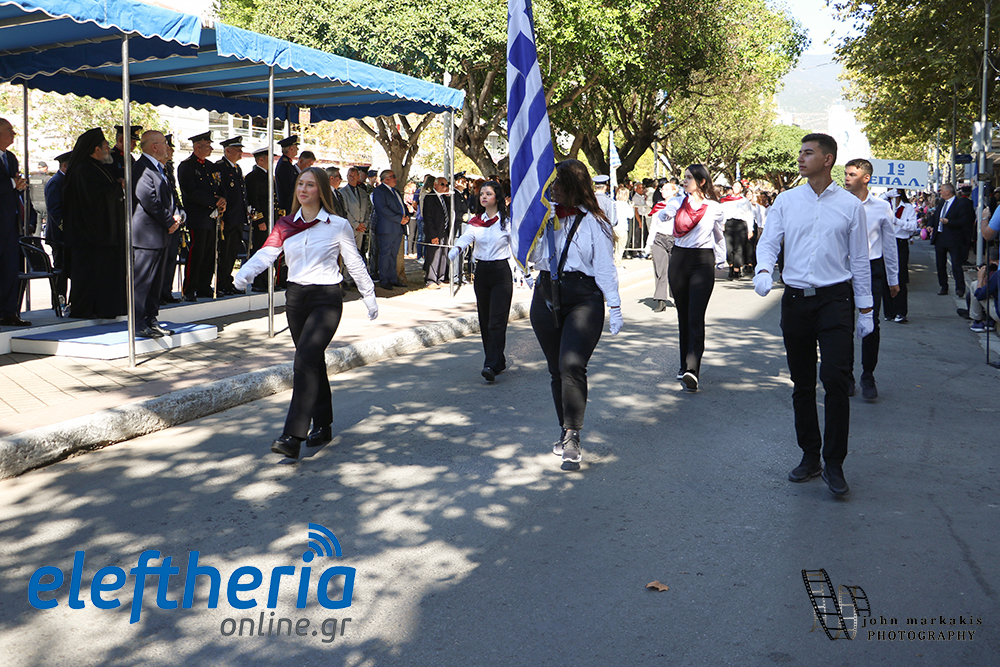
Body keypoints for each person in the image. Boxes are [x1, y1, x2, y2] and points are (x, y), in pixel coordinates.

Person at [753, 133, 872, 497]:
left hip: (835, 300)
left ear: (827, 159)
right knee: (802, 383)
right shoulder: (787, 201)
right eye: (800, 153)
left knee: (835, 379)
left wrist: (866, 308)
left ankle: (834, 462)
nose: (801, 159)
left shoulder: (850, 206)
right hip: (795, 301)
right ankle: (810, 455)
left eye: (808, 153)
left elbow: (860, 260)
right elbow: (769, 241)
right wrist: (763, 269)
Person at [233, 167, 378, 460]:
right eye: (300, 183)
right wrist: (244, 273)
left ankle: (293, 435)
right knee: (312, 362)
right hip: (296, 299)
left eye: (310, 185)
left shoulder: (338, 225)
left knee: (304, 360)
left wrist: (369, 295)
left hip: (326, 298)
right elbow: (267, 253)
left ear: (321, 190)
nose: (303, 189)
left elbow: (354, 261)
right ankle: (323, 424)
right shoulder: (285, 224)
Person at [528, 159, 622, 471]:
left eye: (557, 182)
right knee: (556, 370)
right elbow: (534, 259)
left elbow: (605, 267)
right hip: (546, 294)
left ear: (571, 185)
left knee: (571, 364)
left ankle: (572, 436)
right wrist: (536, 229)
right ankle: (564, 427)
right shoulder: (546, 218)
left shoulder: (594, 222)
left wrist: (615, 305)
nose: (552, 188)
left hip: (583, 297)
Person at [657, 165, 726, 388]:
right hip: (679, 259)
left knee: (695, 315)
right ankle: (683, 364)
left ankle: (692, 369)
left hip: (702, 261)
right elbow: (666, 211)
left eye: (689, 178)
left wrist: (721, 258)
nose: (684, 181)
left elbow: (718, 234)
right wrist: (666, 213)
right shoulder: (677, 202)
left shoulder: (714, 207)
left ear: (701, 181)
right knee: (683, 315)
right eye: (684, 177)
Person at [843, 159, 899, 400]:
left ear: (866, 178)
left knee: (871, 323)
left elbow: (890, 244)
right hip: (842, 270)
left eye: (852, 174)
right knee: (843, 324)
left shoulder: (881, 207)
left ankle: (868, 375)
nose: (846, 178)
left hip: (872, 268)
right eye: (846, 174)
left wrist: (893, 278)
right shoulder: (838, 203)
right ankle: (846, 375)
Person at [448, 181, 513, 380]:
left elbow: (517, 246)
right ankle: (498, 360)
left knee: (496, 321)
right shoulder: (476, 221)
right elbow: (467, 237)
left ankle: (490, 365)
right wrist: (457, 248)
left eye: (489, 193)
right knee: (485, 320)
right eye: (482, 193)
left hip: (501, 273)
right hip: (482, 273)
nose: (484, 196)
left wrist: (525, 272)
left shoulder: (506, 222)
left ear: (497, 197)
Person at [63, 127, 127, 320]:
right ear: (96, 149)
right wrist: (117, 187)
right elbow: (92, 201)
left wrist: (116, 185)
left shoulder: (99, 168)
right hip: (89, 236)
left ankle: (105, 308)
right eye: (106, 146)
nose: (108, 149)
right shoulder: (83, 170)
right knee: (89, 275)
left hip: (104, 235)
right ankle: (87, 310)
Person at [131, 131, 182, 338]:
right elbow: (148, 199)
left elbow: (168, 198)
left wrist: (176, 216)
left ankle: (151, 320)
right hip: (147, 236)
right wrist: (169, 221)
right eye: (164, 144)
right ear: (154, 146)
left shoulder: (160, 168)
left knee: (156, 283)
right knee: (143, 282)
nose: (167, 148)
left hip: (161, 234)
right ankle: (138, 323)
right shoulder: (142, 167)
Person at [178, 132, 226, 301]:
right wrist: (214, 201)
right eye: (208, 146)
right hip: (198, 216)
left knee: (210, 252)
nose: (211, 149)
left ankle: (204, 286)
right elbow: (191, 192)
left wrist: (222, 200)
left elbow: (219, 187)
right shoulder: (187, 166)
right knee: (197, 252)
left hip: (213, 216)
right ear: (198, 146)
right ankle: (190, 288)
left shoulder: (211, 167)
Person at [0, 117, 31, 326]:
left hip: (10, 222)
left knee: (11, 268)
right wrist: (12, 183)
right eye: (9, 130)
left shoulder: (10, 157)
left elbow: (14, 184)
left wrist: (19, 185)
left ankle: (9, 312)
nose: (13, 134)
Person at [215, 137, 248, 296]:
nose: (241, 152)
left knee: (233, 251)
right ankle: (221, 283)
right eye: (237, 150)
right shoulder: (220, 167)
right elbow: (220, 192)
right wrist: (221, 217)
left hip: (238, 216)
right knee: (225, 251)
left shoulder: (237, 168)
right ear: (227, 150)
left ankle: (228, 281)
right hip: (227, 217)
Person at [244, 146, 278, 292]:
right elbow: (253, 200)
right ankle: (258, 282)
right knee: (260, 250)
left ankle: (267, 281)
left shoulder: (269, 176)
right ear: (261, 160)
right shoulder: (253, 177)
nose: (272, 162)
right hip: (263, 220)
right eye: (269, 159)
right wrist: (259, 220)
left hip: (271, 219)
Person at [931, 183, 974, 297]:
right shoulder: (941, 203)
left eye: (941, 190)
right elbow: (935, 216)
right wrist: (930, 225)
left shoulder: (960, 204)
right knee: (940, 264)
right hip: (940, 237)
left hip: (954, 238)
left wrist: (949, 222)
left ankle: (960, 288)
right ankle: (943, 286)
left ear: (948, 192)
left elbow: (964, 221)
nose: (940, 192)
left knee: (956, 264)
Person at [371, 169, 409, 290]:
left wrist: (406, 216)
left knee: (393, 254)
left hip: (397, 227)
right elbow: (382, 209)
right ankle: (384, 279)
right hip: (387, 228)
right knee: (385, 254)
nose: (395, 179)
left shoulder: (395, 191)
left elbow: (402, 205)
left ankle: (393, 278)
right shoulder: (379, 191)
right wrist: (399, 218)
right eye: (393, 176)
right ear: (386, 179)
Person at [885, 189, 919, 323]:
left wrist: (897, 221)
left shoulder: (908, 207)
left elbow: (913, 227)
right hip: (885, 242)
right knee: (885, 277)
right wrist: (885, 196)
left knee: (900, 276)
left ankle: (900, 311)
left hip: (900, 242)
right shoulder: (885, 205)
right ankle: (889, 311)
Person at [44, 151, 72, 307]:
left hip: (66, 235)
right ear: (65, 166)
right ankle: (58, 300)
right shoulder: (56, 182)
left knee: (67, 268)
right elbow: (54, 210)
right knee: (60, 269)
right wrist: (64, 228)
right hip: (58, 235)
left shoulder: (66, 180)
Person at [158, 134, 184, 304]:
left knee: (171, 258)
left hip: (174, 219)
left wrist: (181, 210)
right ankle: (158, 293)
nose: (172, 151)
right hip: (163, 221)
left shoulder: (169, 168)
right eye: (169, 148)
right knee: (162, 260)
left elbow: (174, 193)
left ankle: (166, 291)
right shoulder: (157, 169)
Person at [720, 181, 755, 280]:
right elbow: (722, 213)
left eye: (738, 186)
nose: (736, 188)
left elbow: (749, 215)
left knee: (738, 248)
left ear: (741, 189)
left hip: (741, 224)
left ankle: (736, 270)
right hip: (729, 224)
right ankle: (731, 265)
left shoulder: (745, 201)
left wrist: (750, 229)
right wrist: (722, 225)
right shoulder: (726, 200)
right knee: (729, 248)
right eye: (734, 186)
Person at [422, 176, 452, 288]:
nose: (445, 187)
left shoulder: (443, 198)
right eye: (442, 184)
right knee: (434, 255)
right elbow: (428, 218)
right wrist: (433, 235)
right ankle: (431, 279)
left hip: (444, 230)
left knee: (443, 255)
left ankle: (440, 278)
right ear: (435, 184)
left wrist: (448, 196)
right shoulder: (430, 197)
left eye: (446, 185)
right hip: (434, 231)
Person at [274, 135, 299, 215]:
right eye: (296, 147)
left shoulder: (286, 162)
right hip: (287, 204)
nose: (298, 149)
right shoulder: (285, 164)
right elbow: (289, 187)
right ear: (291, 149)